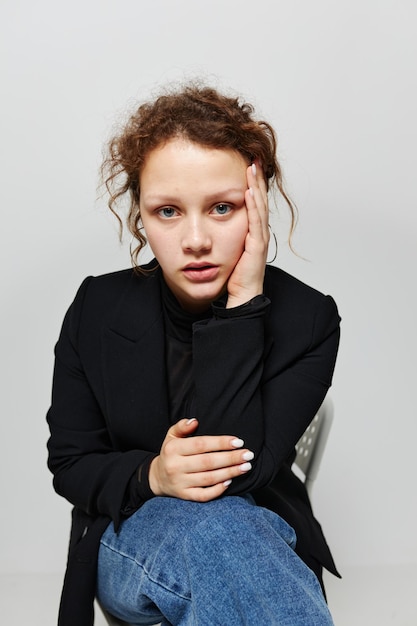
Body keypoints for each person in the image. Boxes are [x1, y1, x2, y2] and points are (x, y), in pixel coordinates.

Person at [47, 83, 341, 626]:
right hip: (131, 541)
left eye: (222, 207)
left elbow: (231, 474)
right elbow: (71, 464)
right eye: (168, 212)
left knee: (223, 522)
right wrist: (154, 476)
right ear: (139, 215)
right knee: (211, 528)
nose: (197, 239)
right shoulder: (98, 308)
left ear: (259, 204)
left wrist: (245, 306)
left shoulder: (308, 320)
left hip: (257, 532)